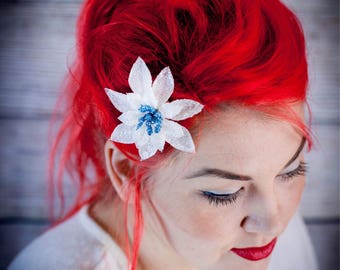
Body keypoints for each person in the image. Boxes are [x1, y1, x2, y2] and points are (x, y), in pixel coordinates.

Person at [8, 0, 319, 269]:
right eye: (223, 194)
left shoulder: (275, 237)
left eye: (291, 171)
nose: (276, 222)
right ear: (127, 170)